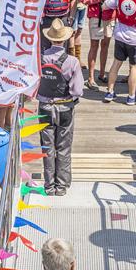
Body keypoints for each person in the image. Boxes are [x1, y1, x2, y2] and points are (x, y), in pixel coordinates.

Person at [37, 19, 84, 195]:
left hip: (44, 107)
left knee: (47, 148)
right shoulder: (72, 61)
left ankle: (49, 186)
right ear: (64, 40)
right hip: (65, 107)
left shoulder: (40, 59)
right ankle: (62, 186)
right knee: (63, 147)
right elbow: (77, 90)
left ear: (50, 39)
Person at [80, 0, 122, 90]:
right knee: (94, 46)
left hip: (110, 16)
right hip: (96, 15)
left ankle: (102, 74)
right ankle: (91, 78)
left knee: (105, 45)